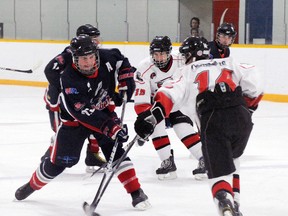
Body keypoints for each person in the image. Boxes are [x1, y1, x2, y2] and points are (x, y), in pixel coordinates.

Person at [15, 35, 151, 210]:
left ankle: (136, 192)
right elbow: (85, 113)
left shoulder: (107, 58)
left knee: (116, 151)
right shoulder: (69, 79)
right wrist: (112, 128)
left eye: (90, 57)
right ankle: (31, 186)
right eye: (82, 59)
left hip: (103, 112)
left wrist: (126, 80)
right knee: (59, 164)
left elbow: (122, 62)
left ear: (96, 54)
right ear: (74, 58)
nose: (87, 62)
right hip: (75, 123)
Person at [134, 36, 263, 215]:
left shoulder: (185, 71)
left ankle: (223, 199)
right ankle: (236, 204)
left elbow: (167, 95)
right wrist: (247, 110)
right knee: (233, 159)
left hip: (212, 120)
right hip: (241, 118)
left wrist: (152, 118)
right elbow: (255, 83)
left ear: (187, 55)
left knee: (217, 170)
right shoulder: (228, 62)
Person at [134, 36, 206, 180]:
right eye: (155, 54)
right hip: (157, 104)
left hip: (179, 103)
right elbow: (141, 99)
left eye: (162, 54)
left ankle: (204, 158)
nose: (159, 58)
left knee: (182, 127)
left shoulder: (181, 60)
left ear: (169, 52)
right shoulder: (144, 68)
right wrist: (145, 121)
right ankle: (167, 161)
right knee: (155, 124)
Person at [42, 24, 107, 173]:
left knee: (97, 120)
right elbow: (53, 76)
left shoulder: (91, 56)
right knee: (62, 131)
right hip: (60, 103)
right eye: (93, 39)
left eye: (97, 39)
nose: (96, 42)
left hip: (81, 98)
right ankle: (51, 154)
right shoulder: (69, 55)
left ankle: (92, 155)